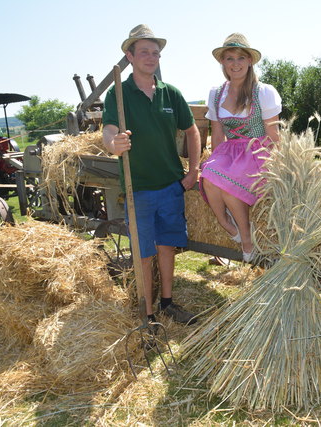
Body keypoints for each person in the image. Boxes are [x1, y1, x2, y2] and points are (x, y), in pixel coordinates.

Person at [102, 24, 201, 325]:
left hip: (171, 185)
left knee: (166, 246)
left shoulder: (170, 94)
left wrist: (194, 169)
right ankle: (148, 314)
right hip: (139, 188)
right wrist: (114, 145)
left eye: (155, 52)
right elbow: (108, 132)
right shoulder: (118, 94)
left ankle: (168, 302)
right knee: (144, 253)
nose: (150, 57)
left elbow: (192, 130)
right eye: (143, 51)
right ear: (129, 56)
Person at [200, 33, 282, 262]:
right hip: (229, 151)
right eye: (229, 58)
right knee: (208, 175)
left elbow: (273, 132)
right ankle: (228, 225)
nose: (235, 64)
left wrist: (281, 165)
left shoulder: (263, 92)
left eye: (240, 58)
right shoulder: (216, 94)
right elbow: (217, 133)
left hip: (257, 151)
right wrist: (213, 159)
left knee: (226, 184)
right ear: (223, 63)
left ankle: (246, 237)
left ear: (249, 61)